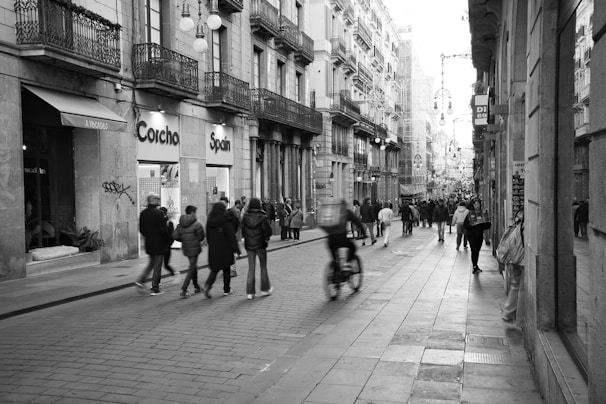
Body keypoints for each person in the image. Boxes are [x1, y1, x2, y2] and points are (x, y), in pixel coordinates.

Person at [203, 201, 241, 298]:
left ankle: (208, 284)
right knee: (226, 268)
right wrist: (236, 250)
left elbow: (207, 235)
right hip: (226, 248)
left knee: (215, 269)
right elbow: (231, 236)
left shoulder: (210, 221)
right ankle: (226, 289)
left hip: (214, 248)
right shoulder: (226, 219)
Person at [137, 193, 169, 296]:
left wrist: (148, 236)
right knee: (157, 264)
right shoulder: (159, 213)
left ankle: (141, 280)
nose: (158, 200)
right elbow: (163, 229)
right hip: (159, 243)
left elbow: (141, 229)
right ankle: (155, 288)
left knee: (152, 262)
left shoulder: (143, 213)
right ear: (152, 201)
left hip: (149, 242)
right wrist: (168, 238)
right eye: (156, 199)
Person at [242, 197, 273, 300]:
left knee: (251, 268)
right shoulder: (262, 217)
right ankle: (265, 290)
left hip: (249, 245)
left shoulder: (245, 217)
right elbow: (268, 231)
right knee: (263, 267)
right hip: (260, 244)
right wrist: (266, 237)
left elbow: (243, 231)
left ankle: (250, 293)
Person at [321, 198, 365, 269]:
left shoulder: (332, 212)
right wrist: (364, 233)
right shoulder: (346, 212)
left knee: (335, 259)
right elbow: (357, 222)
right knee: (353, 247)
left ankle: (334, 272)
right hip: (342, 239)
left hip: (330, 240)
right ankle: (347, 262)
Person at [173, 205, 205, 298]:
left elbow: (175, 236)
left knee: (193, 266)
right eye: (195, 212)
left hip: (186, 247)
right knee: (192, 267)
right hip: (195, 248)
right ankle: (184, 289)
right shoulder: (197, 224)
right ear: (192, 213)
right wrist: (196, 241)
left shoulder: (180, 224)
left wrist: (184, 240)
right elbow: (201, 236)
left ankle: (196, 287)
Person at [464, 198, 492, 274]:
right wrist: (472, 225)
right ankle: (474, 266)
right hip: (471, 235)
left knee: (477, 250)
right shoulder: (469, 214)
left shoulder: (483, 213)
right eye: (475, 204)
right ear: (473, 205)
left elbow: (488, 225)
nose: (477, 206)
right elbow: (465, 225)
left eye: (478, 204)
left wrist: (484, 223)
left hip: (479, 236)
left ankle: (476, 265)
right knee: (474, 250)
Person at [159, 207, 180, 284]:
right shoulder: (159, 223)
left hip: (166, 246)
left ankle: (175, 273)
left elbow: (171, 236)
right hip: (160, 246)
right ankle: (157, 282)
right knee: (158, 264)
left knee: (166, 264)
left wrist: (168, 244)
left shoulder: (169, 223)